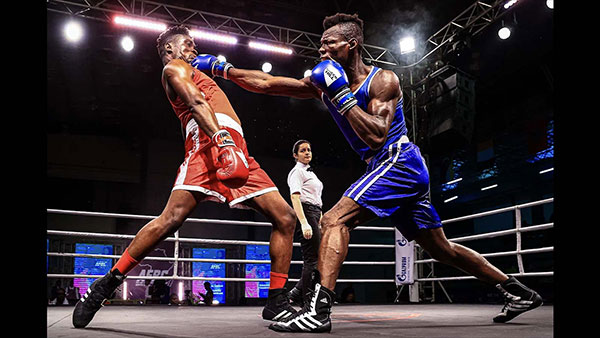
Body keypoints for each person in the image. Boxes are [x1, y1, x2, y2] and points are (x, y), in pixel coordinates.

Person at [190, 12, 543, 333]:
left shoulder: (382, 81)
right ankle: (517, 290)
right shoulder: (321, 81)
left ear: (352, 44)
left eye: (330, 43)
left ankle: (320, 310)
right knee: (442, 249)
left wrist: (342, 95)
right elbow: (268, 84)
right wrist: (224, 69)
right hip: (386, 168)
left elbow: (375, 134)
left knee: (333, 220)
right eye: (321, 43)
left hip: (398, 160)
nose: (322, 49)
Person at [72, 24, 298, 329]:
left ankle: (276, 300)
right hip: (211, 144)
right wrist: (220, 139)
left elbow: (262, 82)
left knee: (284, 217)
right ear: (170, 49)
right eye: (188, 44)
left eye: (194, 45)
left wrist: (310, 90)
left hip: (236, 149)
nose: (194, 49)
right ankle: (106, 284)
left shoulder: (201, 70)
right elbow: (195, 103)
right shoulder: (174, 68)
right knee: (171, 219)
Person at [285, 140, 323, 307]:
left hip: (314, 213)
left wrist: (319, 219)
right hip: (306, 213)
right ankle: (305, 299)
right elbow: (295, 197)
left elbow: (317, 199)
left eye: (309, 150)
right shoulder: (297, 173)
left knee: (316, 258)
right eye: (303, 150)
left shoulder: (311, 173)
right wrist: (304, 223)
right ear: (295, 155)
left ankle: (297, 293)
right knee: (311, 260)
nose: (307, 152)